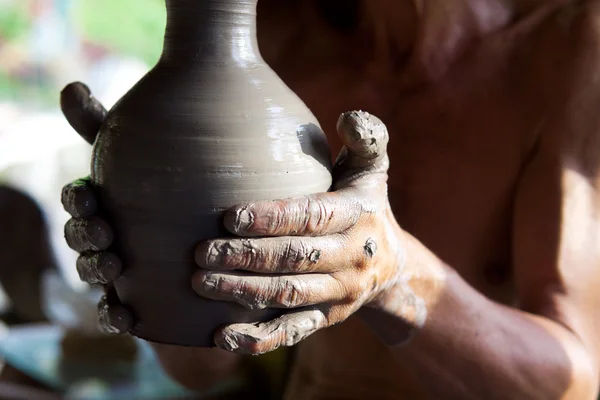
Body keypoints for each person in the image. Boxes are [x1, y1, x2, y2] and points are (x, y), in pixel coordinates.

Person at [59, 0, 600, 398]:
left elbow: (575, 383)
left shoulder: (566, 52)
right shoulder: (276, 34)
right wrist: (149, 234)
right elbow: (204, 368)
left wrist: (395, 275)